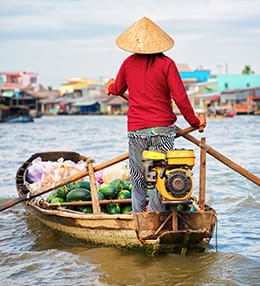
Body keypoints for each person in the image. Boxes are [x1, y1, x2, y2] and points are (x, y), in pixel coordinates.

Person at [106, 17, 206, 213]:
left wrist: (109, 86)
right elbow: (181, 98)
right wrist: (196, 121)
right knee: (160, 175)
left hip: (137, 130)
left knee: (138, 177)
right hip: (162, 130)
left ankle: (139, 218)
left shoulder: (128, 63)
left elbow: (117, 88)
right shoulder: (167, 64)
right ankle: (155, 215)